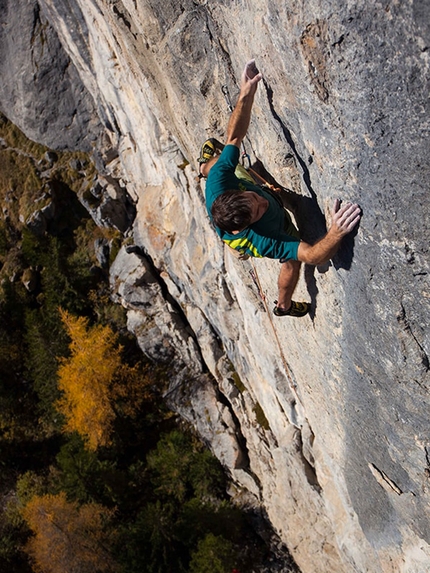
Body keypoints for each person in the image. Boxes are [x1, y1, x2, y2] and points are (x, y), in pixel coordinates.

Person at [200, 60, 361, 317]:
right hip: (244, 236)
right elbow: (312, 256)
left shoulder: (221, 181)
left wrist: (247, 92)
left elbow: (234, 137)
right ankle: (283, 306)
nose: (262, 202)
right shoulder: (265, 239)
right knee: (292, 263)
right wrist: (335, 233)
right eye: (257, 211)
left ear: (237, 191)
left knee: (218, 164)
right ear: (249, 225)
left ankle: (201, 166)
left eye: (253, 198)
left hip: (224, 205)